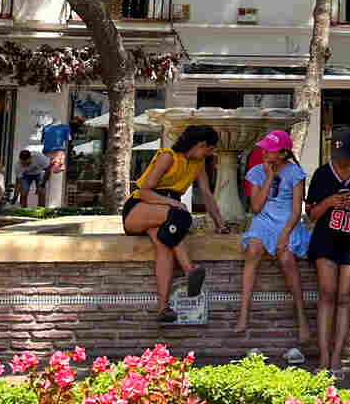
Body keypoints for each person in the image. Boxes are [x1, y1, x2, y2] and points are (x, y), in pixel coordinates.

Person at [123, 125, 230, 322]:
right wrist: (172, 202)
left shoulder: (197, 163)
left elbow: (206, 194)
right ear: (200, 144)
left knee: (165, 247)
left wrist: (219, 223)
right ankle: (189, 269)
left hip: (163, 213)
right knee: (180, 217)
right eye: (210, 148)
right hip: (139, 208)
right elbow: (145, 190)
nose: (211, 153)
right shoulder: (168, 157)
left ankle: (163, 308)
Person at [305, 128, 350, 378]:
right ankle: (323, 356)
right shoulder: (322, 174)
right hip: (325, 240)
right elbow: (311, 214)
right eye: (336, 155)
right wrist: (328, 202)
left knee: (344, 296)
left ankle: (337, 357)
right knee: (326, 293)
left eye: (344, 155)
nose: (340, 160)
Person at [235, 129, 311, 358]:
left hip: (287, 222)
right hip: (263, 222)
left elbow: (297, 210)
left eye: (270, 148)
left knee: (286, 258)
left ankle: (301, 318)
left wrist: (284, 235)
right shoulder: (257, 172)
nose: (265, 151)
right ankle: (243, 312)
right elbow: (256, 208)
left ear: (283, 153)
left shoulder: (295, 174)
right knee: (253, 250)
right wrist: (268, 178)